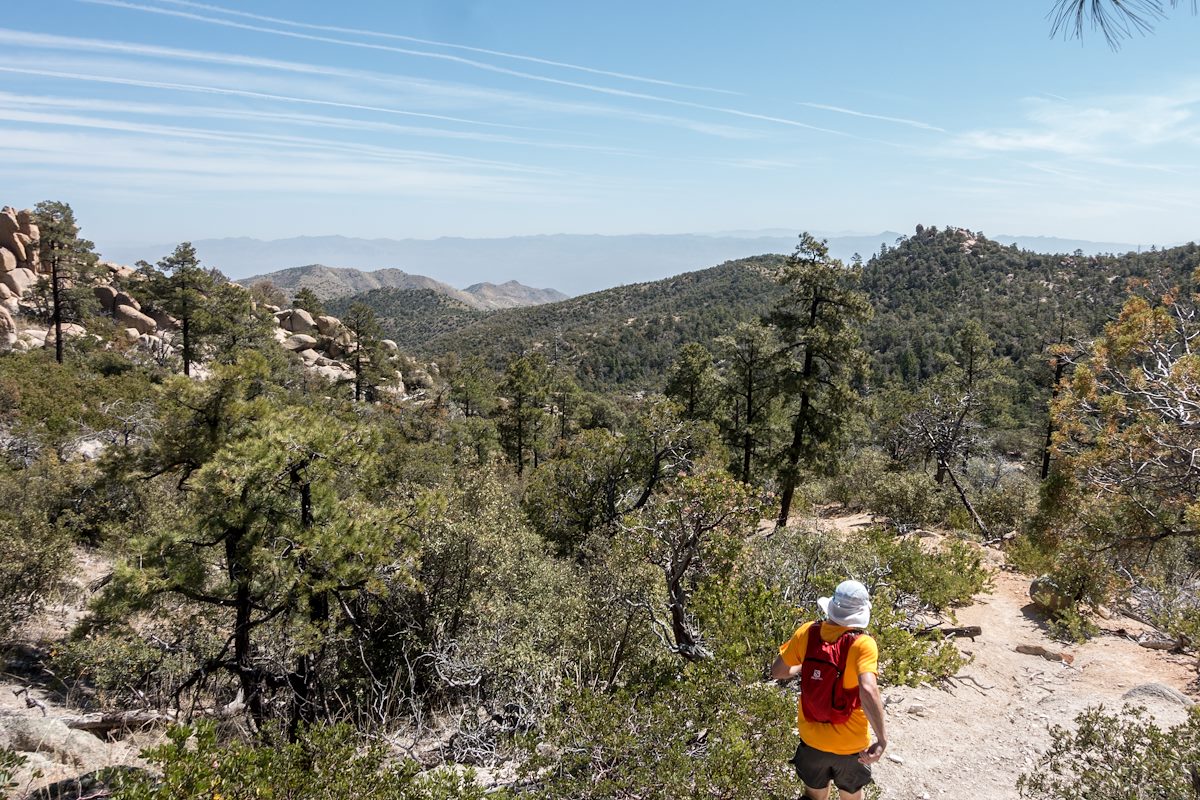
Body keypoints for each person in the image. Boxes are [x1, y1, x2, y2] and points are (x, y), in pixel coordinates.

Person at [770, 579, 888, 800]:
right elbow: (868, 688)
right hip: (851, 745)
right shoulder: (863, 644)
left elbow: (778, 671)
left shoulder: (807, 632)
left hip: (812, 741)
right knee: (851, 796)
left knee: (813, 796)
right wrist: (882, 739)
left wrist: (805, 665)